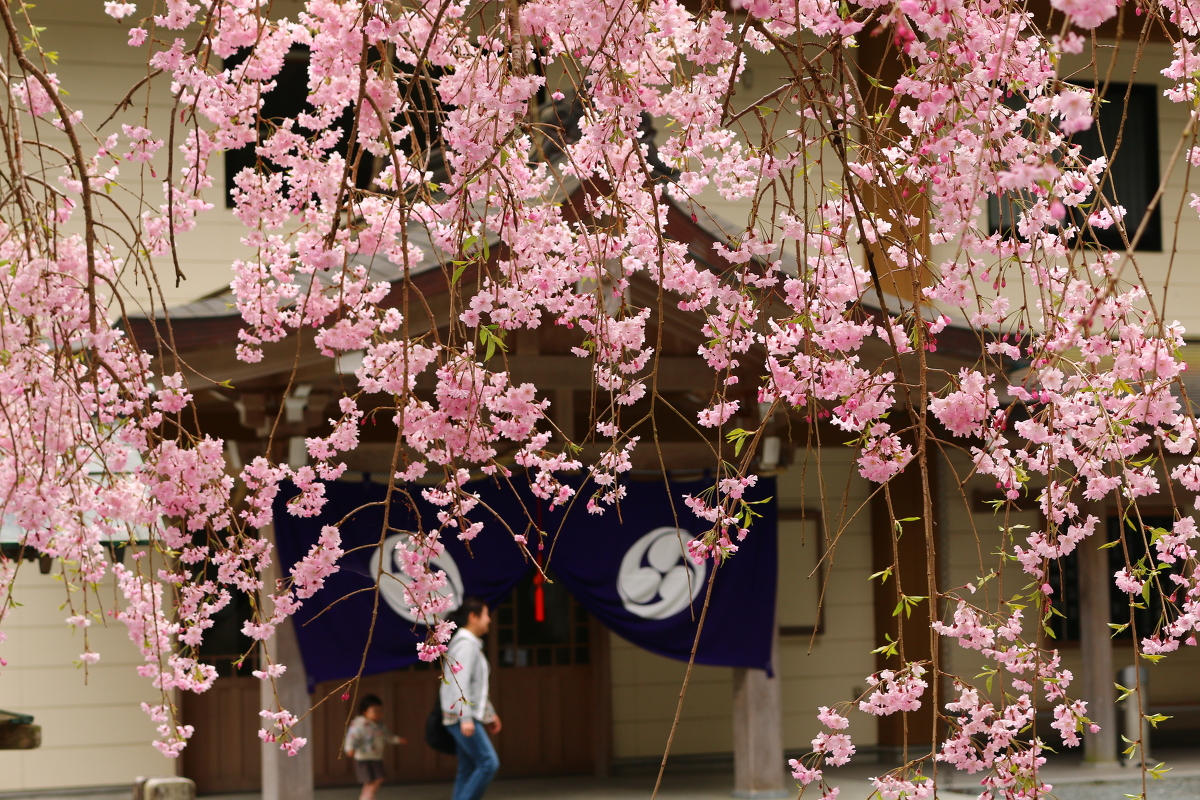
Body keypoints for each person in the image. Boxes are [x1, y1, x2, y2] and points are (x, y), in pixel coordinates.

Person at [441, 596, 502, 800]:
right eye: (486, 615)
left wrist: (489, 714)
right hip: (462, 717)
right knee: (488, 763)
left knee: (467, 768)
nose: (489, 620)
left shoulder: (468, 644)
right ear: (473, 616)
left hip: (461, 715)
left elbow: (477, 687)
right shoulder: (466, 645)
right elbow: (462, 684)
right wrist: (466, 718)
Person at [343, 694, 407, 800]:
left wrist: (398, 740)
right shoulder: (359, 725)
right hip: (363, 757)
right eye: (374, 710)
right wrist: (350, 749)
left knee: (378, 778)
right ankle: (368, 796)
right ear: (365, 711)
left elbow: (387, 736)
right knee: (369, 779)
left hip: (376, 756)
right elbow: (352, 738)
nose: (378, 713)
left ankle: (366, 796)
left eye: (380, 710)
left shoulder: (380, 725)